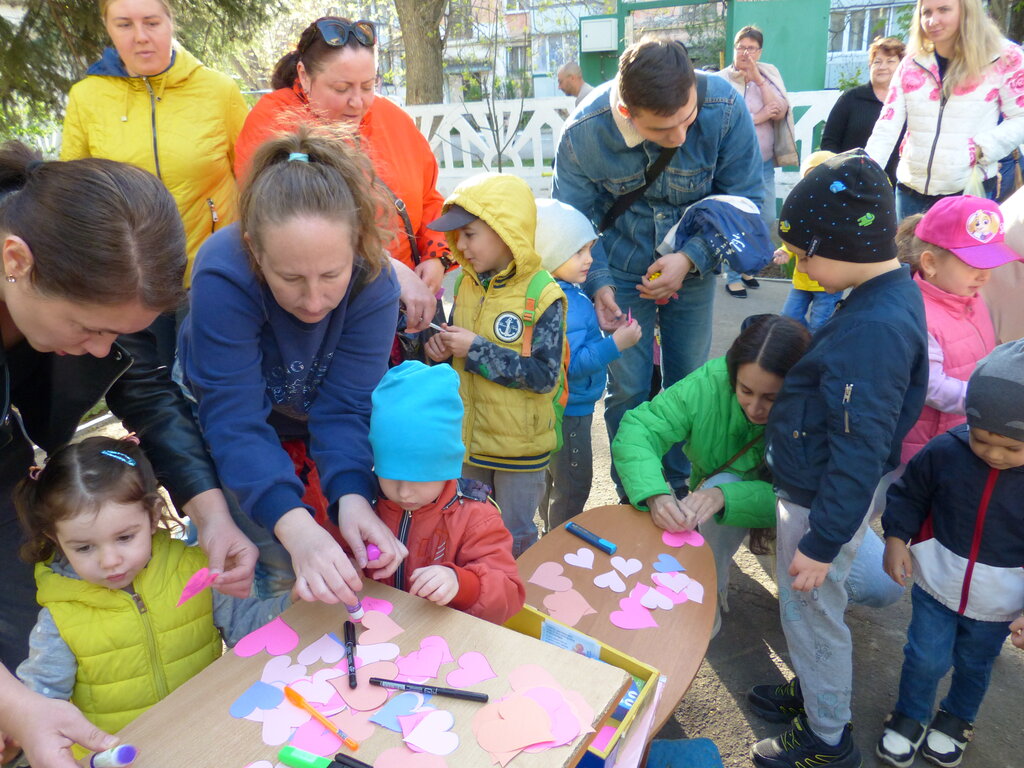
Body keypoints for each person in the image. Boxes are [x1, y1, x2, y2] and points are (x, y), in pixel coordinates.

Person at [0, 141, 255, 767]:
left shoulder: (103, 287)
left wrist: (213, 515)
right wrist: (16, 704)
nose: (100, 351)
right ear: (15, 260)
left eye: (120, 333)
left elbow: (147, 391)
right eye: (88, 328)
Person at [747, 150, 928, 768]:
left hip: (821, 502)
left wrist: (822, 543)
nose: (801, 267)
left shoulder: (873, 330)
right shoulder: (879, 297)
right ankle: (816, 691)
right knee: (810, 618)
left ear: (842, 242)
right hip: (824, 493)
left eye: (804, 255)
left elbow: (860, 449)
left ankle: (827, 738)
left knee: (812, 617)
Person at [177, 127, 407, 605]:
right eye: (290, 279)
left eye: (331, 275)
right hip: (223, 405)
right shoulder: (223, 272)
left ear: (358, 247)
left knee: (329, 530)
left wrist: (351, 495)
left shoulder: (376, 283)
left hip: (304, 402)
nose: (315, 300)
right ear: (255, 252)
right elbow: (235, 421)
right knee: (270, 558)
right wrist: (296, 527)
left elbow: (345, 406)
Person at [552, 38, 762, 500]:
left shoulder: (724, 105)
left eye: (688, 118)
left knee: (688, 380)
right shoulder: (584, 133)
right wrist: (601, 285)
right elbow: (575, 226)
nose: (682, 137)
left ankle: (678, 481)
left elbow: (749, 204)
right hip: (620, 268)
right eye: (665, 130)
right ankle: (637, 489)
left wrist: (691, 259)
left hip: (695, 269)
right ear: (626, 113)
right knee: (627, 386)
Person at [14, 437, 290, 746]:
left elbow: (248, 630)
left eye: (124, 537)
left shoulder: (194, 570)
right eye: (85, 547)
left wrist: (296, 603)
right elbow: (41, 699)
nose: (110, 561)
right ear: (55, 538)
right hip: (127, 756)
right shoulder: (60, 618)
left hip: (211, 732)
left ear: (154, 515)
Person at [234, 16, 448, 336]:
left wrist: (436, 258)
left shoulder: (393, 119)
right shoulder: (274, 122)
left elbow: (429, 196)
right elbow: (287, 223)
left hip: (411, 301)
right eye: (341, 88)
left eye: (368, 85)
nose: (357, 102)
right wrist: (389, 269)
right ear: (305, 77)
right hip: (326, 309)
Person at [877, 341, 1024, 768]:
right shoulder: (945, 452)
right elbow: (908, 495)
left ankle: (957, 717)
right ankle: (910, 713)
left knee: (974, 665)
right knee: (924, 656)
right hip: (937, 581)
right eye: (981, 439)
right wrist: (895, 538)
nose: (994, 454)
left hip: (999, 602)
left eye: (1012, 448)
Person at [61, 0, 247, 307]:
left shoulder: (219, 90)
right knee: (146, 358)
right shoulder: (86, 97)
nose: (140, 36)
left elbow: (253, 177)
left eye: (151, 22)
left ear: (170, 22)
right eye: (124, 25)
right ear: (108, 28)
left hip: (211, 271)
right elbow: (74, 192)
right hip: (126, 279)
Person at [424, 173, 567, 557]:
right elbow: (464, 347)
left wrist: (474, 350)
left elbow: (542, 377)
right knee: (468, 529)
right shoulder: (466, 285)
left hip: (519, 453)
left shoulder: (542, 294)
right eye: (457, 237)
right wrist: (443, 349)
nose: (461, 246)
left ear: (506, 230)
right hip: (470, 444)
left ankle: (512, 609)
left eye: (469, 234)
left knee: (514, 535)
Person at [368, 361, 525, 624]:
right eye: (391, 474)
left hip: (442, 642)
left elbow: (509, 594)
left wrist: (463, 584)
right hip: (375, 637)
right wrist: (345, 563)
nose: (404, 492)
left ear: (447, 467)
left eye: (421, 477)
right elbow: (336, 549)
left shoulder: (476, 517)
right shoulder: (364, 504)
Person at [535, 199, 641, 530]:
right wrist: (615, 345)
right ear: (550, 252)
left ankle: (546, 533)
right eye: (579, 252)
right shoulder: (565, 304)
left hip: (553, 407)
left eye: (590, 249)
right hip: (572, 409)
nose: (590, 259)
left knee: (548, 478)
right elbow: (571, 364)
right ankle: (559, 544)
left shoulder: (555, 294)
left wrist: (601, 335)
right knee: (573, 482)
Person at [865, 0, 1024, 220]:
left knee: (959, 256)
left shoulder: (1005, 56)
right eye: (926, 12)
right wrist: (865, 175)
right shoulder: (912, 60)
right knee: (907, 255)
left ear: (967, 11)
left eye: (943, 10)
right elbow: (887, 123)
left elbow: (1020, 117)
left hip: (967, 190)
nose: (932, 20)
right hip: (911, 189)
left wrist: (982, 148)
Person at [897, 195, 1021, 464]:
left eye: (989, 264)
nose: (984, 275)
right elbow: (931, 386)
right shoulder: (920, 315)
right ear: (930, 263)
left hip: (964, 432)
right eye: (973, 264)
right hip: (926, 446)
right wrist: (986, 399)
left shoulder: (971, 297)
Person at [716, 25, 797, 299]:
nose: (745, 53)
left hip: (763, 163)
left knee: (765, 218)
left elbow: (781, 110)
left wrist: (759, 80)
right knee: (737, 219)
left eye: (751, 48)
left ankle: (748, 268)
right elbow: (724, 124)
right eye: (740, 47)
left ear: (759, 51)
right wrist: (760, 116)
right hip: (734, 165)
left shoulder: (769, 74)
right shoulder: (722, 80)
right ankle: (734, 274)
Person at [772, 150, 844, 333]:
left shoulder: (841, 212)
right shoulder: (803, 210)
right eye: (810, 179)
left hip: (828, 285)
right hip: (802, 281)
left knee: (819, 325)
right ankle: (803, 344)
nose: (816, 185)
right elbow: (793, 238)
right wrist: (785, 251)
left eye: (821, 178)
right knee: (788, 318)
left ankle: (812, 353)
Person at [821, 36, 906, 186]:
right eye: (877, 62)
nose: (882, 66)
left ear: (902, 66)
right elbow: (830, 142)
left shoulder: (908, 102)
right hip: (852, 184)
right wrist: (838, 175)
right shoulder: (852, 98)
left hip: (898, 186)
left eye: (890, 61)